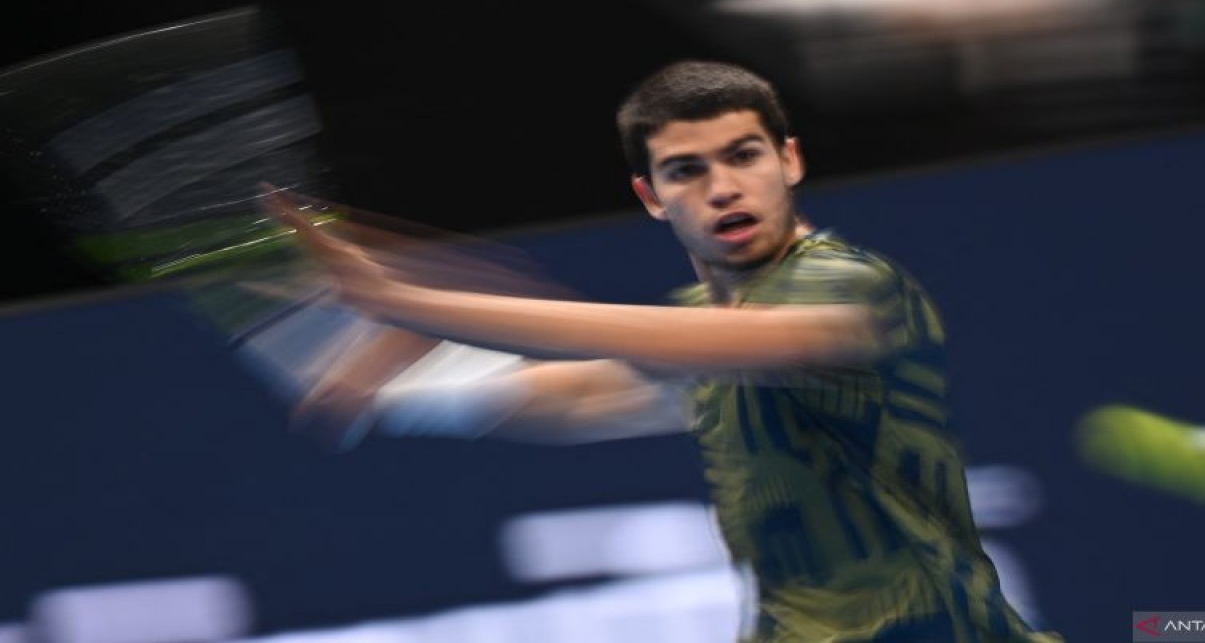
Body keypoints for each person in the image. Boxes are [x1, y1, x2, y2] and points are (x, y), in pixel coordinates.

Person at [260, 59, 1065, 642]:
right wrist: (400, 393)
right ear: (651, 198)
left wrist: (413, 303)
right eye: (686, 170)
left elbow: (745, 343)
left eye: (744, 155)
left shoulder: (852, 288)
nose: (721, 187)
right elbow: (582, 396)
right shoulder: (700, 325)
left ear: (789, 161)